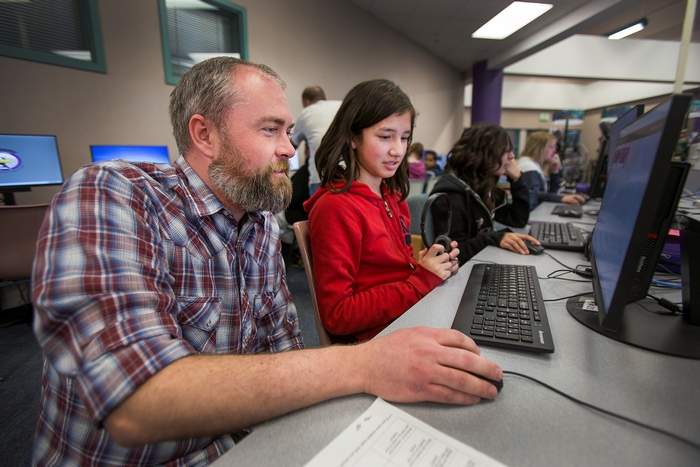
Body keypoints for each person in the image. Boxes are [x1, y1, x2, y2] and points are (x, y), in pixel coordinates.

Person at [31, 58, 502, 465]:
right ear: (204, 134)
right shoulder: (114, 192)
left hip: (251, 444)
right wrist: (364, 365)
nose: (289, 149)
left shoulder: (258, 225)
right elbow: (135, 402)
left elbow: (285, 357)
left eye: (290, 133)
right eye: (270, 130)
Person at [305, 79, 460, 342]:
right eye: (385, 136)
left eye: (405, 137)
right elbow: (338, 315)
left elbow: (389, 273)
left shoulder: (392, 196)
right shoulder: (337, 208)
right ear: (353, 137)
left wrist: (427, 267)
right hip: (379, 341)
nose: (397, 150)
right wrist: (421, 281)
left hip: (405, 317)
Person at [429, 124, 536, 265]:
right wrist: (494, 238)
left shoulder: (482, 187)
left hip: (476, 265)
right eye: (506, 150)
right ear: (485, 153)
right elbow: (452, 253)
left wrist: (516, 180)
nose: (512, 156)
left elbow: (518, 219)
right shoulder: (451, 196)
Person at [290, 85, 342, 195]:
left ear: (306, 101)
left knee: (319, 210)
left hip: (321, 177)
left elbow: (291, 146)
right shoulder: (342, 106)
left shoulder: (307, 112)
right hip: (350, 173)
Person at [518, 131, 585, 210]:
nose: (554, 151)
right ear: (539, 148)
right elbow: (533, 198)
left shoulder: (533, 165)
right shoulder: (528, 167)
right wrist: (561, 198)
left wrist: (554, 172)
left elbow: (551, 193)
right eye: (551, 147)